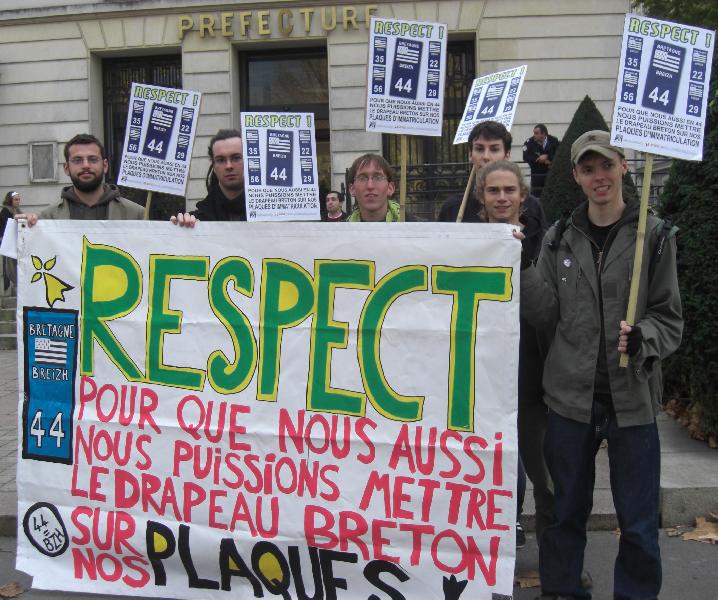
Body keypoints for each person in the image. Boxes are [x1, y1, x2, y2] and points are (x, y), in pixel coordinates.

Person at [519, 131, 683, 599]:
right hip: (570, 402)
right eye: (588, 169)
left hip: (632, 399)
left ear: (624, 167)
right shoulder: (558, 239)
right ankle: (563, 592)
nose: (599, 176)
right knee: (565, 515)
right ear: (575, 176)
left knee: (637, 524)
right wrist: (526, 262)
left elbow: (669, 316)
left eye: (606, 165)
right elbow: (544, 313)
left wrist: (645, 335)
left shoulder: (654, 235)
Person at [475, 160, 553, 550]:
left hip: (530, 376)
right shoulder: (466, 244)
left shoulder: (546, 244)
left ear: (523, 195)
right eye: (493, 191)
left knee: (543, 473)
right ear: (482, 198)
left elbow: (544, 313)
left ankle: (559, 569)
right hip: (478, 379)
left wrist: (519, 261)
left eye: (509, 190)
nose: (502, 198)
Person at [438, 121, 546, 227]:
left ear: (507, 155)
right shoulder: (452, 209)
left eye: (494, 149)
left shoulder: (531, 207)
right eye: (479, 149)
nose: (486, 157)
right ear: (470, 154)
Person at [23, 133, 144, 225]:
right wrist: (24, 228)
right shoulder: (47, 219)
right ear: (66, 168)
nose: (86, 165)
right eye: (77, 160)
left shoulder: (137, 215)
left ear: (105, 165)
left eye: (93, 159)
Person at [172, 129, 246, 227]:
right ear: (214, 167)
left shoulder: (270, 215)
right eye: (221, 160)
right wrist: (181, 229)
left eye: (236, 158)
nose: (229, 166)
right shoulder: (197, 220)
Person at [346, 154, 420, 222]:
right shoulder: (341, 232)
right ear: (352, 189)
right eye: (362, 178)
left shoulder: (419, 229)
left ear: (390, 188)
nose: (370, 186)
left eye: (378, 177)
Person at [522, 123, 559, 197]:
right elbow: (525, 157)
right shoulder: (529, 143)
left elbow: (559, 154)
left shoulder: (554, 141)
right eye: (534, 133)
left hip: (550, 174)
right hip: (536, 175)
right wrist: (538, 159)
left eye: (536, 133)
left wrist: (548, 157)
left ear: (543, 133)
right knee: (536, 197)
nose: (534, 135)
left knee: (550, 196)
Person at [1, 191, 22, 291]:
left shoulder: (18, 211)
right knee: (8, 267)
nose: (18, 201)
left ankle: (16, 285)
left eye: (19, 199)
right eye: (16, 199)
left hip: (17, 242)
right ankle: (7, 288)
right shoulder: (5, 212)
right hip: (8, 243)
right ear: (10, 200)